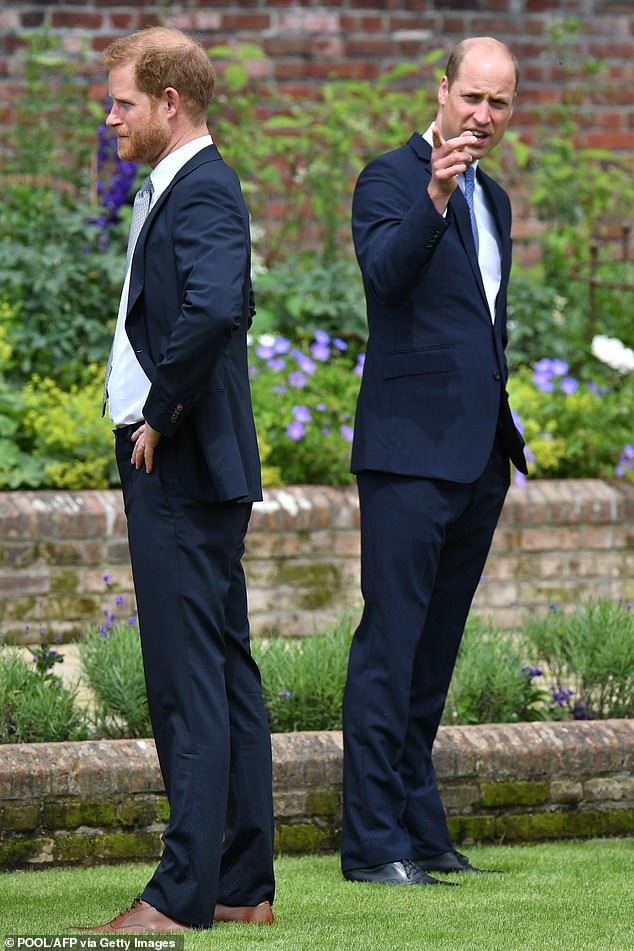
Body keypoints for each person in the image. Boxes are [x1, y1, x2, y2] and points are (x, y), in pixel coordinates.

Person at [79, 27, 275, 931]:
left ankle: (180, 895)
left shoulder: (200, 189)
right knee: (224, 673)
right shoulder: (187, 185)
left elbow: (214, 306)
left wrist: (158, 412)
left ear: (169, 103)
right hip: (194, 463)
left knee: (186, 679)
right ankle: (241, 886)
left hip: (183, 463)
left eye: (122, 99)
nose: (108, 113)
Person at [341, 37, 527, 886]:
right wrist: (435, 195)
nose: (482, 116)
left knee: (434, 653)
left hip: (478, 455)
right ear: (442, 89)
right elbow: (384, 275)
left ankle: (419, 828)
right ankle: (371, 840)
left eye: (499, 103)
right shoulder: (390, 177)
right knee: (392, 643)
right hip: (408, 455)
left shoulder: (499, 202)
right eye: (472, 98)